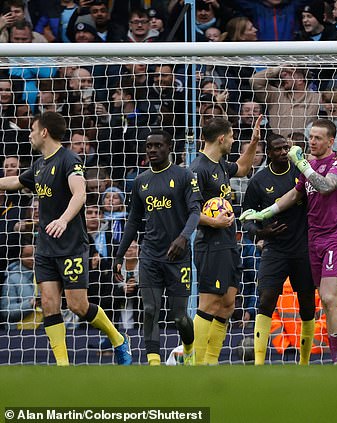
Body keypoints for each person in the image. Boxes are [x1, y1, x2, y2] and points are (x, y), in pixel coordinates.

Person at [0, 111, 132, 365]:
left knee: (77, 306)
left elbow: (80, 193)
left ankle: (118, 339)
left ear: (44, 132)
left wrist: (63, 219)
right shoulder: (40, 165)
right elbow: (16, 180)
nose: (29, 134)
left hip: (71, 245)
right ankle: (63, 366)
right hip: (46, 247)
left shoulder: (69, 159)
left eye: (32, 129)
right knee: (49, 304)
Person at [240, 118, 337, 364]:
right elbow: (293, 195)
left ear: (330, 141)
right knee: (278, 297)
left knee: (327, 297)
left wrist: (303, 164)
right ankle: (262, 362)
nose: (311, 142)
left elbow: (324, 187)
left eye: (317, 138)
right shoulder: (299, 171)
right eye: (310, 137)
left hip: (336, 236)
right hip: (312, 239)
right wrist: (263, 214)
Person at [113, 129, 202, 366]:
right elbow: (133, 220)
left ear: (169, 146)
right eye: (148, 146)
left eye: (157, 145)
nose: (152, 150)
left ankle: (189, 350)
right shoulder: (140, 181)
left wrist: (183, 238)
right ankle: (153, 362)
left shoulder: (185, 176)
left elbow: (195, 211)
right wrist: (119, 255)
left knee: (180, 317)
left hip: (178, 257)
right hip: (151, 255)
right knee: (150, 308)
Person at [190, 115, 263, 365]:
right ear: (221, 138)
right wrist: (214, 222)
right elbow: (187, 212)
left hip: (229, 242)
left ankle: (212, 362)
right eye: (232, 137)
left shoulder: (220, 164)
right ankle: (196, 362)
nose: (233, 141)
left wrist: (253, 143)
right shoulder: (197, 169)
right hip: (210, 245)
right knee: (209, 303)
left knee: (228, 304)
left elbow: (242, 168)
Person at [240, 135, 316, 365]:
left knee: (307, 305)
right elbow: (247, 218)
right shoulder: (259, 181)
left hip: (303, 248)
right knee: (265, 300)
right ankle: (259, 363)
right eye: (278, 149)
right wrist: (262, 233)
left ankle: (304, 362)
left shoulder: (302, 173)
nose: (284, 152)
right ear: (269, 154)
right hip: (275, 249)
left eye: (287, 147)